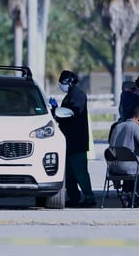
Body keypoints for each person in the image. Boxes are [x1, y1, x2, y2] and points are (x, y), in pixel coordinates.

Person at [49, 70, 96, 208]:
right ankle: (74, 197)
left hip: (77, 141)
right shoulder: (69, 96)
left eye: (63, 83)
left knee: (80, 173)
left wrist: (59, 111)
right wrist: (54, 109)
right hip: (68, 141)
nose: (61, 86)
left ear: (69, 82)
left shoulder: (79, 96)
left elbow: (72, 113)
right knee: (69, 174)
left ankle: (89, 198)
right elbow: (61, 115)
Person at [108, 106, 139, 207]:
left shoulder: (117, 126)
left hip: (113, 166)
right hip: (129, 166)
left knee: (137, 165)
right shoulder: (135, 127)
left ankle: (128, 194)